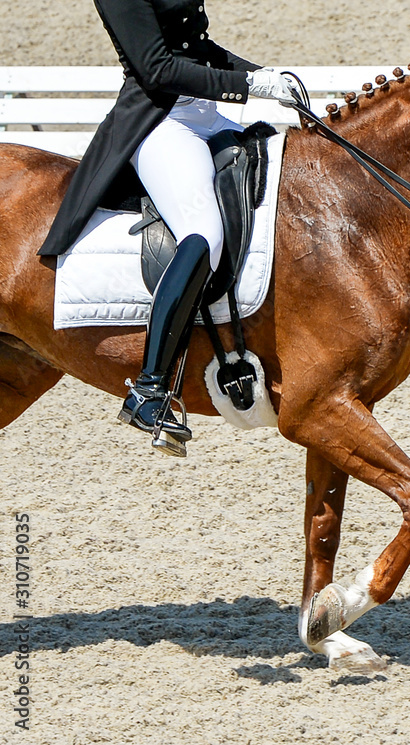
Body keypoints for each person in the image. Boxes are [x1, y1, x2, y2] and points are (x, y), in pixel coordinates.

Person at [37, 0, 296, 455]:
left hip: (208, 115)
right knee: (204, 234)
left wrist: (265, 76)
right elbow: (157, 68)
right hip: (161, 122)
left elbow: (197, 47)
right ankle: (149, 388)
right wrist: (246, 84)